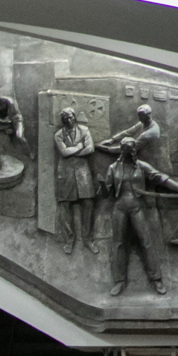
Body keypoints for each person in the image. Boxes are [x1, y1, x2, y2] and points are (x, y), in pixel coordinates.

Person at [103, 136, 178, 296]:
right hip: (119, 208)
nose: (129, 152)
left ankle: (156, 279)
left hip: (137, 208)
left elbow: (162, 179)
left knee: (146, 242)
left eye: (132, 149)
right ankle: (119, 281)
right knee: (118, 244)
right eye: (126, 149)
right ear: (121, 150)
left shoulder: (142, 167)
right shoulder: (113, 168)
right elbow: (106, 192)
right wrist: (103, 186)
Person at [53, 106, 98, 255]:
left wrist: (73, 152)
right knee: (65, 205)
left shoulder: (84, 130)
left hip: (82, 171)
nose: (68, 120)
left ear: (75, 117)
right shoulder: (58, 134)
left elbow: (90, 148)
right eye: (65, 118)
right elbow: (64, 152)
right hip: (65, 172)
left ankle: (87, 239)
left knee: (88, 203)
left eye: (70, 117)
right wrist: (79, 146)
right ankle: (69, 240)